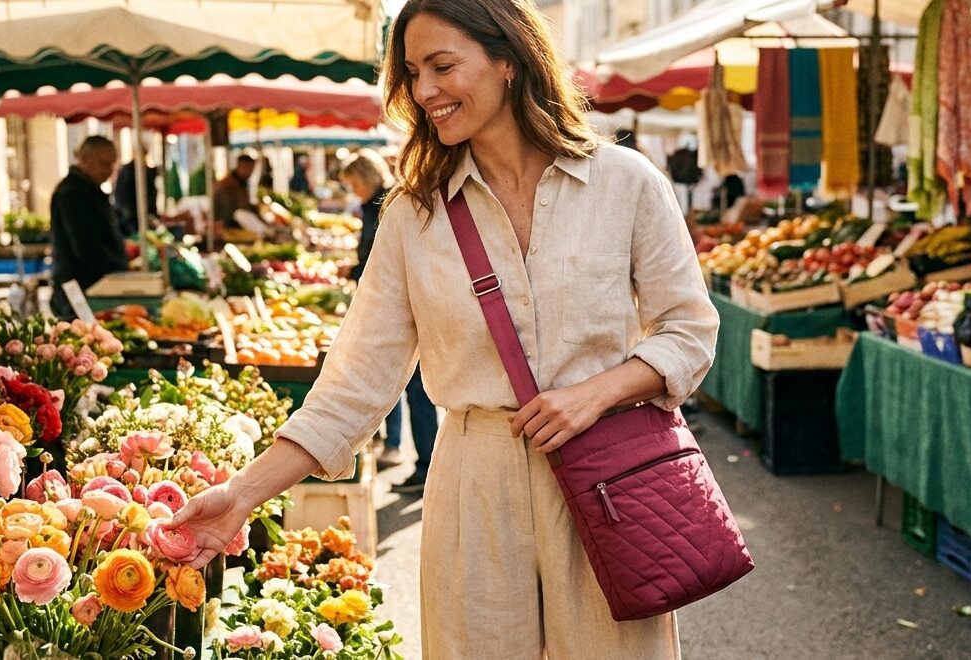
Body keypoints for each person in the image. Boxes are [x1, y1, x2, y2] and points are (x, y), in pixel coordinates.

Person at [170, 1, 717, 658]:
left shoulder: (623, 183)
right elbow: (356, 382)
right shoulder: (414, 212)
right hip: (474, 484)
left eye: (442, 66)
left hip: (612, 478)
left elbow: (688, 331)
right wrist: (241, 495)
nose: (423, 91)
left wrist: (595, 393)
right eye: (412, 72)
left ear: (508, 61)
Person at [340, 149, 437, 493]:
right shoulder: (379, 204)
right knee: (406, 387)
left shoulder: (389, 205)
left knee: (416, 390)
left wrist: (355, 272)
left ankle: (426, 466)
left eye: (354, 184)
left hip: (405, 308)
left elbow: (383, 258)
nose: (353, 192)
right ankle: (416, 458)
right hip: (399, 304)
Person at [50, 136, 129, 320]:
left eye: (112, 165)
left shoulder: (90, 190)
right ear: (85, 159)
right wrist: (117, 265)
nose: (109, 171)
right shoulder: (72, 194)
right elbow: (86, 248)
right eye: (104, 164)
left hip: (94, 286)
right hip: (81, 289)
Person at [113, 149, 158, 238]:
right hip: (131, 217)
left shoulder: (144, 170)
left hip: (137, 215)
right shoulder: (129, 170)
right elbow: (123, 196)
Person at [212, 152, 259, 227]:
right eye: (248, 168)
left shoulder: (242, 183)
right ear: (240, 166)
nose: (250, 172)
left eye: (252, 169)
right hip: (225, 227)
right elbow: (230, 212)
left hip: (232, 225)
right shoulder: (227, 185)